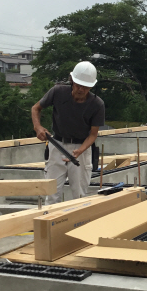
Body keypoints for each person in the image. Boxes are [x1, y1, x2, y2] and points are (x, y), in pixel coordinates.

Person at [31, 61, 105, 204]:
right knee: (51, 193)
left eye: (85, 87)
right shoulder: (58, 92)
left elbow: (93, 134)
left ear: (91, 86)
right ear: (72, 81)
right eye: (78, 85)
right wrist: (38, 127)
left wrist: (80, 151)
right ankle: (51, 217)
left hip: (81, 149)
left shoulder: (97, 104)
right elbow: (36, 108)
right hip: (57, 144)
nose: (81, 89)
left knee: (80, 195)